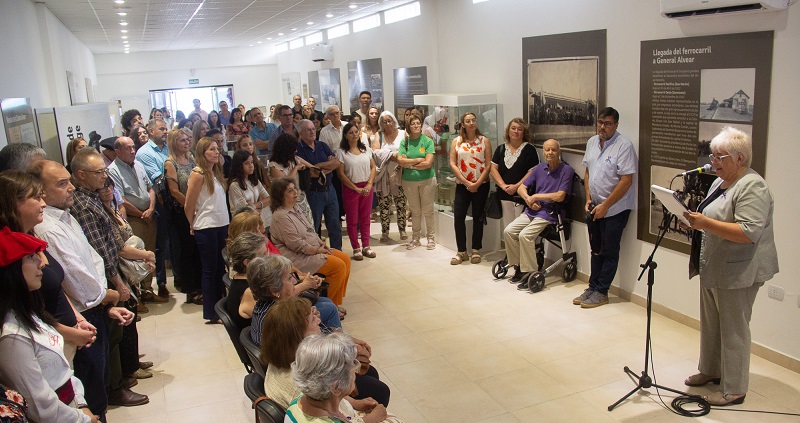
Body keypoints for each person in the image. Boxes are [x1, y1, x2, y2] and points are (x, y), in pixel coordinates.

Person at [31, 159, 139, 416]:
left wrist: (105, 298)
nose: (71, 188)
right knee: (91, 391)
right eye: (62, 183)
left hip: (94, 308)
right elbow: (76, 278)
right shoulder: (48, 229)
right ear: (42, 192)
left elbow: (94, 259)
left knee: (99, 385)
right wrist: (106, 295)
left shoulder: (66, 217)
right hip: (83, 315)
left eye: (69, 181)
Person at [681, 126, 778, 406]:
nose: (713, 162)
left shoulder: (753, 186)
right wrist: (691, 221)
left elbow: (748, 233)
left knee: (734, 328)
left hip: (739, 270)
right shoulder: (719, 181)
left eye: (720, 157)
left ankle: (735, 388)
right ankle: (711, 370)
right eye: (712, 156)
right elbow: (710, 216)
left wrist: (704, 223)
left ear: (739, 158)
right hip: (714, 265)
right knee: (712, 324)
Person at [0, 227, 100, 423]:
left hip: (72, 410)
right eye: (30, 257)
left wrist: (81, 405)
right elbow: (40, 405)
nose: (41, 263)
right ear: (11, 270)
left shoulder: (31, 314)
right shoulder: (11, 335)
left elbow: (63, 371)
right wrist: (82, 419)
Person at [260, 298, 391, 410]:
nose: (318, 320)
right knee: (381, 391)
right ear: (298, 336)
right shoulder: (302, 386)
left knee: (371, 373)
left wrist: (355, 403)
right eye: (312, 319)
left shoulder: (283, 355)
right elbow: (335, 414)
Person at [575, 107, 637, 308]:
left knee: (609, 250)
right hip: (595, 206)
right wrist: (589, 198)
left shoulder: (624, 146)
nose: (603, 127)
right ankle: (592, 287)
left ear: (616, 125)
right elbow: (587, 172)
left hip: (615, 209)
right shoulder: (592, 142)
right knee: (596, 249)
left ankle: (602, 291)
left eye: (608, 123)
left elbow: (626, 181)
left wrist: (606, 206)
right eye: (600, 122)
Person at [269, 178, 350, 312]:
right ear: (280, 195)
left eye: (295, 188)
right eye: (290, 191)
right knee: (338, 267)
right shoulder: (280, 216)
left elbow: (311, 230)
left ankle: (337, 297)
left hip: (313, 250)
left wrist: (321, 244)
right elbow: (296, 245)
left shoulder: (296, 209)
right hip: (298, 258)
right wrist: (317, 250)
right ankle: (334, 305)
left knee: (345, 259)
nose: (295, 192)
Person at [287, 332, 403, 423]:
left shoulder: (301, 399)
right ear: (336, 387)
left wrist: (355, 403)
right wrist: (370, 420)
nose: (357, 371)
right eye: (352, 368)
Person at [503, 140, 574, 287]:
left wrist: (536, 197)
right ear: (543, 152)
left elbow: (560, 196)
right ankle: (519, 266)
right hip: (532, 210)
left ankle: (530, 272)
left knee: (525, 236)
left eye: (553, 150)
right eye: (547, 150)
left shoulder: (566, 170)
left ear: (559, 151)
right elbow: (521, 188)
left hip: (549, 212)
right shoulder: (539, 168)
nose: (550, 153)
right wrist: (529, 199)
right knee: (509, 231)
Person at [107, 137, 166, 303]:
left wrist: (151, 209)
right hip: (133, 218)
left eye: (133, 147)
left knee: (149, 253)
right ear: (117, 151)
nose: (133, 151)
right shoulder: (113, 171)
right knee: (135, 257)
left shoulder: (138, 165)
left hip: (149, 215)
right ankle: (136, 297)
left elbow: (150, 188)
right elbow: (121, 199)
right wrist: (142, 213)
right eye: (128, 148)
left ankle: (148, 290)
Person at [184, 137, 230, 324]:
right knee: (210, 270)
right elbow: (189, 204)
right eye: (211, 149)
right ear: (202, 153)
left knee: (221, 267)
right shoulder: (198, 174)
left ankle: (221, 307)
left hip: (220, 223)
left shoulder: (215, 173)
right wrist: (192, 224)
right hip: (206, 226)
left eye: (217, 149)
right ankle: (211, 312)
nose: (216, 152)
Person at [246, 254, 341, 344]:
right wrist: (339, 336)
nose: (295, 281)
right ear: (274, 291)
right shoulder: (284, 319)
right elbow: (319, 349)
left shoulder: (266, 305)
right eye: (289, 278)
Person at [163, 129, 202, 304]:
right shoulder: (170, 163)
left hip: (197, 209)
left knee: (197, 249)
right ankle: (191, 289)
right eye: (182, 140)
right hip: (182, 212)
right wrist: (190, 205)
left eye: (188, 139)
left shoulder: (192, 158)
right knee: (186, 250)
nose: (186, 143)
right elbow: (174, 191)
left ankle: (200, 285)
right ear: (174, 143)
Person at [448, 112, 492, 265]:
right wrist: (466, 183)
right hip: (462, 185)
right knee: (458, 217)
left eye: (474, 120)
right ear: (463, 125)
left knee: (478, 217)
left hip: (481, 184)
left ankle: (476, 249)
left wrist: (477, 183)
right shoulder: (457, 141)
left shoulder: (484, 141)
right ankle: (461, 251)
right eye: (468, 121)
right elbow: (453, 163)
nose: (472, 123)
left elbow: (488, 165)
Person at [135, 119, 172, 299]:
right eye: (161, 129)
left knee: (176, 243)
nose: (166, 131)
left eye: (166, 128)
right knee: (160, 245)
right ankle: (161, 283)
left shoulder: (168, 148)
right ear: (150, 131)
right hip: (160, 202)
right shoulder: (144, 153)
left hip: (175, 201)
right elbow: (159, 180)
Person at [295, 119, 343, 250]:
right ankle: (317, 254)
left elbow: (336, 163)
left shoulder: (322, 145)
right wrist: (325, 167)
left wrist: (318, 168)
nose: (312, 132)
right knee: (314, 227)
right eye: (308, 130)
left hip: (330, 190)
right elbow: (310, 173)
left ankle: (338, 253)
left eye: (313, 129)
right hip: (313, 193)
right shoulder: (299, 151)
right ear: (300, 133)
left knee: (335, 226)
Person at [490, 118, 540, 229]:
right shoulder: (501, 149)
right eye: (513, 128)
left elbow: (533, 171)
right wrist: (503, 186)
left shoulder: (529, 149)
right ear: (508, 131)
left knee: (520, 228)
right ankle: (510, 247)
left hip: (522, 195)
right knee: (508, 227)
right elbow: (493, 168)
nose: (516, 131)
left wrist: (517, 186)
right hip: (504, 193)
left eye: (519, 129)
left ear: (524, 132)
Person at [336, 123, 376, 260]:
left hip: (366, 187)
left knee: (365, 218)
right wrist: (355, 188)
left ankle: (366, 245)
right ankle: (356, 248)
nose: (354, 134)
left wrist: (370, 184)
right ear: (346, 135)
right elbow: (341, 174)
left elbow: (373, 168)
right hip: (351, 188)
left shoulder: (366, 149)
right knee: (352, 219)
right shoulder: (341, 152)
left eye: (356, 132)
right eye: (351, 132)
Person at [397, 114, 436, 250]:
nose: (415, 125)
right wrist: (418, 160)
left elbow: (428, 163)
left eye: (418, 123)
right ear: (408, 125)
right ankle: (415, 238)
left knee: (428, 210)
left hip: (427, 180)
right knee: (415, 210)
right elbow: (400, 161)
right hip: (409, 181)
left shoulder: (427, 141)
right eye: (413, 123)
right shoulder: (405, 142)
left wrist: (410, 163)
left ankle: (431, 238)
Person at [371, 111, 408, 242]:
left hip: (400, 173)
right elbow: (375, 152)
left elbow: (407, 151)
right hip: (384, 175)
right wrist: (391, 154)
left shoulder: (403, 133)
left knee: (401, 204)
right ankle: (385, 232)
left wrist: (390, 154)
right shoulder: (379, 135)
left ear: (394, 121)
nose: (387, 123)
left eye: (389, 120)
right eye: (384, 121)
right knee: (384, 205)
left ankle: (402, 229)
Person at [268, 133, 314, 224]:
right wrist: (296, 168)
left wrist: (320, 172)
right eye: (293, 149)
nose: (296, 151)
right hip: (285, 202)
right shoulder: (274, 166)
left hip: (300, 199)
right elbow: (285, 183)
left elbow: (312, 166)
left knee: (308, 226)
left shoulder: (294, 159)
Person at [227, 150, 271, 229]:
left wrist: (255, 205)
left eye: (252, 162)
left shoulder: (255, 181)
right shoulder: (234, 186)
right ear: (239, 166)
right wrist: (260, 204)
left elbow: (269, 199)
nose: (251, 166)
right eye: (246, 163)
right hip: (244, 225)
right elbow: (244, 210)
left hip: (258, 221)